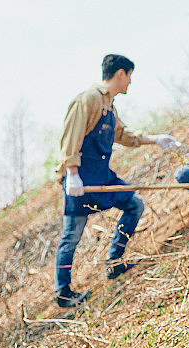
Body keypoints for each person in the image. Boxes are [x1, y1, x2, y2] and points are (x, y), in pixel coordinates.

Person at [53, 54, 178, 308]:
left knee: (134, 204)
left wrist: (155, 139)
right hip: (79, 180)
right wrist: (72, 173)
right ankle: (63, 293)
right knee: (72, 235)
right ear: (121, 73)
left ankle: (114, 262)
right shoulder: (88, 99)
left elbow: (122, 135)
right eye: (129, 76)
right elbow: (70, 137)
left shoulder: (109, 105)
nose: (130, 82)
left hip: (101, 175)